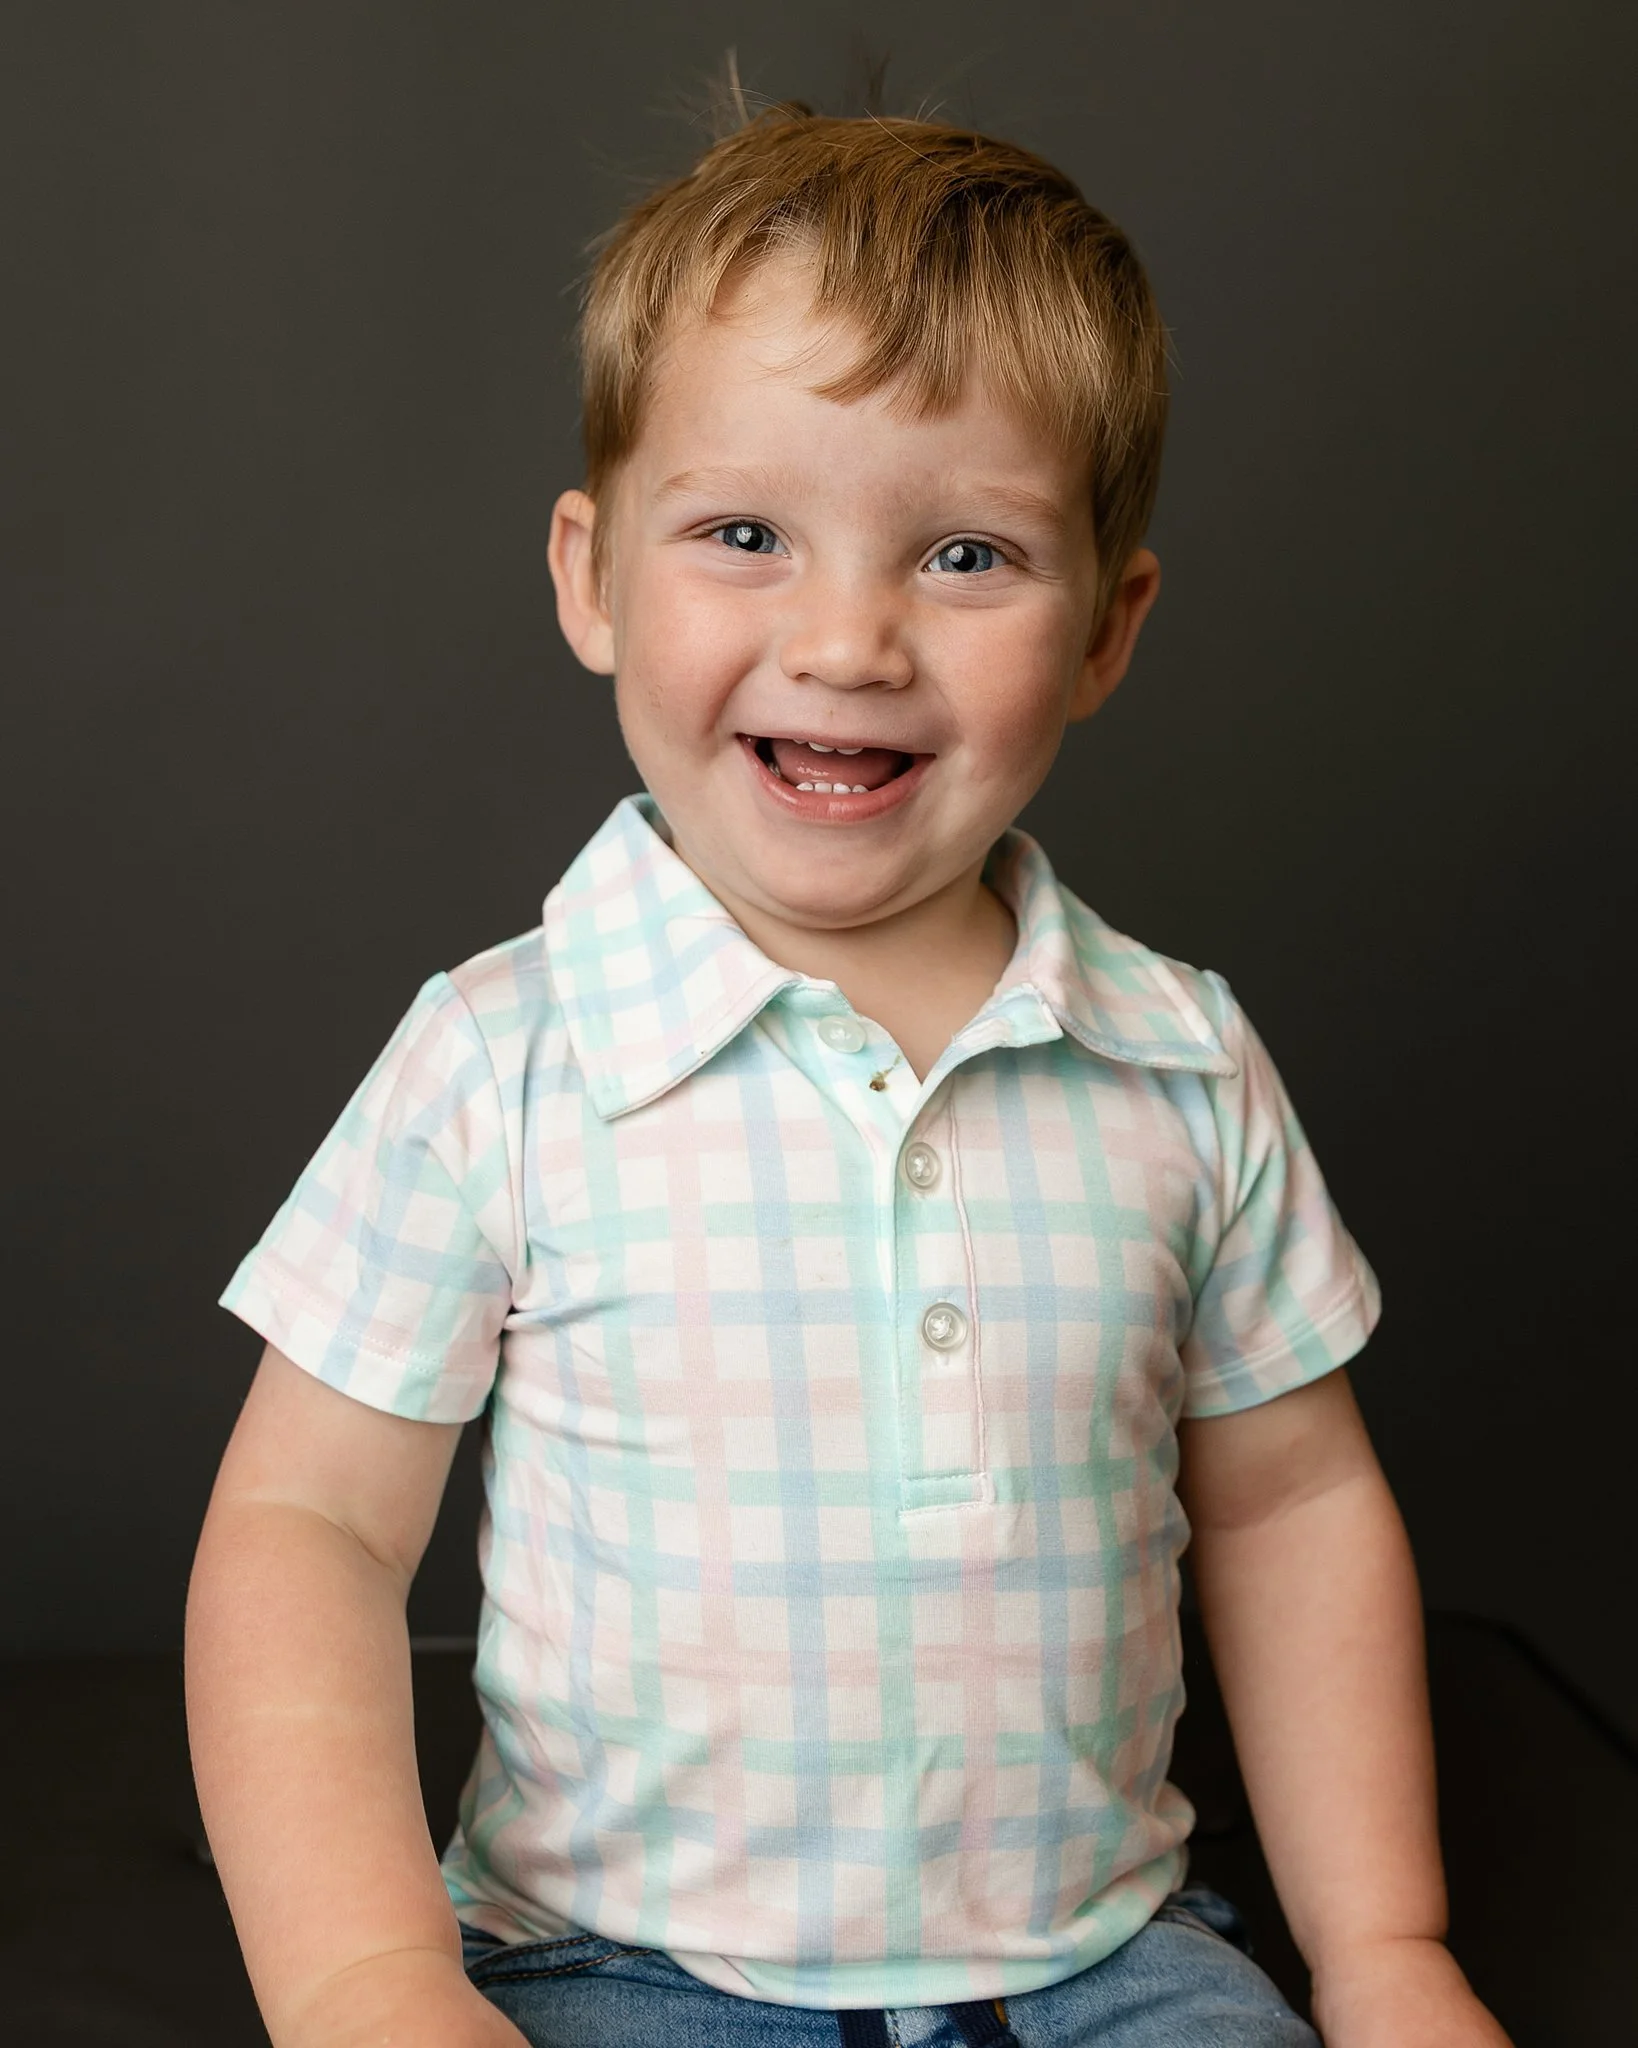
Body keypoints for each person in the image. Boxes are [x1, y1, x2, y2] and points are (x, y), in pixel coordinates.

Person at [185, 105, 1513, 2048]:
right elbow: (307, 1531)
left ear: (1105, 632)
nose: (849, 636)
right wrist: (368, 1976)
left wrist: (1389, 1950)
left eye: (968, 554)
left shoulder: (1174, 1058)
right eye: (743, 534)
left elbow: (1294, 1506)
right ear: (593, 578)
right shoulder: (507, 1055)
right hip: (622, 1963)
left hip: (1105, 1962)